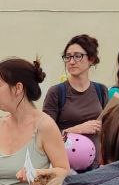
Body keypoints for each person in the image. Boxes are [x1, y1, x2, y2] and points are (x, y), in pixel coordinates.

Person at [43, 35, 108, 168]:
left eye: (78, 56)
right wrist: (76, 130)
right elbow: (44, 135)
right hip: (65, 168)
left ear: (91, 59)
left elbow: (107, 130)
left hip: (95, 168)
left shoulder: (101, 90)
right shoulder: (57, 92)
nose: (71, 61)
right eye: (68, 57)